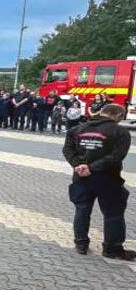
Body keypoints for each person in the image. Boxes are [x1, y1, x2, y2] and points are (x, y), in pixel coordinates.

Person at [63, 104, 135, 260]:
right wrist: (92, 167)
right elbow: (116, 157)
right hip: (108, 179)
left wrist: (79, 166)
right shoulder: (120, 132)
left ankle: (81, 244)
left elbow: (67, 150)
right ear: (118, 116)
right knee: (113, 213)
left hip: (81, 177)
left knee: (82, 210)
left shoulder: (77, 129)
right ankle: (112, 249)